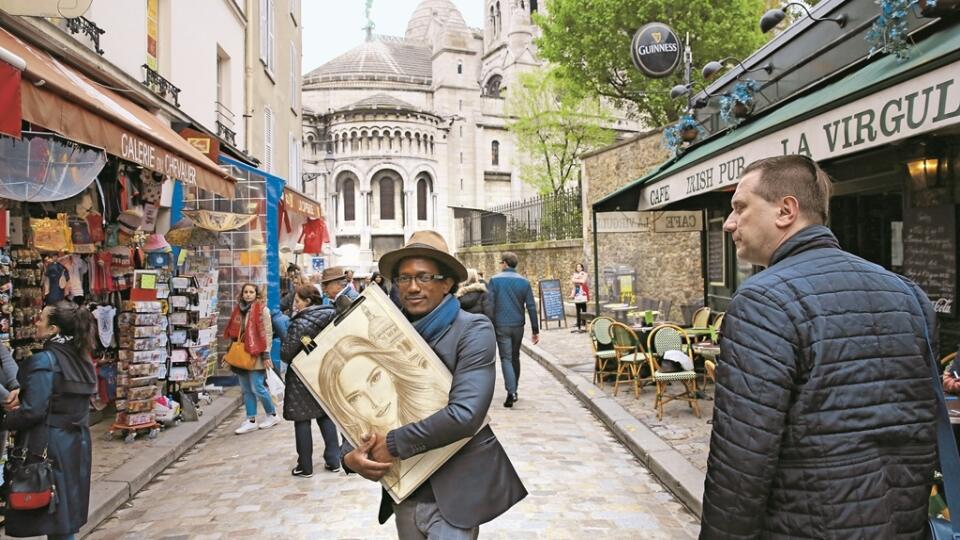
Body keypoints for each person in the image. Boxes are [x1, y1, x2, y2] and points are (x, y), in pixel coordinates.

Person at [701, 155, 937, 538]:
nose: (730, 222)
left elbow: (741, 463)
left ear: (786, 210)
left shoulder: (763, 301)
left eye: (740, 208)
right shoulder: (909, 295)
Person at [342, 230, 526, 539]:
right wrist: (349, 456)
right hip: (406, 492)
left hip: (455, 496)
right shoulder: (384, 332)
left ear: (447, 283)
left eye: (424, 277)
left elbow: (466, 414)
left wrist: (390, 444)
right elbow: (359, 400)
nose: (412, 287)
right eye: (403, 278)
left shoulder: (474, 329)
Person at [2, 302, 97, 540]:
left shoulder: (46, 360)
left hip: (51, 445)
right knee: (64, 515)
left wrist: (6, 420)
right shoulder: (81, 358)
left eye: (41, 319)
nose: (36, 322)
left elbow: (33, 411)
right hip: (77, 442)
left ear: (53, 329)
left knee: (57, 515)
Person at [320, 335, 448, 491]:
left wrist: (392, 444)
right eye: (356, 397)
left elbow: (464, 417)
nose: (375, 401)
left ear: (390, 372)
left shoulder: (432, 398)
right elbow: (350, 443)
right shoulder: (364, 431)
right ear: (347, 407)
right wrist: (348, 459)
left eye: (375, 379)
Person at [280, 285, 341, 477]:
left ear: (307, 302)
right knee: (325, 415)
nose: (295, 305)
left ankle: (304, 466)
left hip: (301, 376)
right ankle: (334, 460)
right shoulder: (331, 316)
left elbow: (286, 353)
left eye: (298, 301)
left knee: (302, 420)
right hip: (323, 372)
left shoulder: (301, 324)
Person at [223, 283, 279, 435]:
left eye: (251, 292)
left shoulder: (263, 310)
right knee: (246, 389)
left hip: (257, 354)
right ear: (242, 294)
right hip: (241, 354)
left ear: (256, 294)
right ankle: (251, 420)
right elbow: (235, 335)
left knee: (257, 387)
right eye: (245, 292)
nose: (248, 294)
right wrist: (228, 353)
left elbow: (268, 333)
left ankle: (272, 414)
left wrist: (266, 354)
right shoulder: (238, 310)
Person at [487, 251, 539, 408]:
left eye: (501, 263)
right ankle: (514, 387)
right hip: (518, 325)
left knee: (506, 358)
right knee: (515, 357)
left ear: (505, 263)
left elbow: (490, 305)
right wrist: (535, 330)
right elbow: (530, 306)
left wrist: (489, 324)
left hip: (501, 325)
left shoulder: (495, 281)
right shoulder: (524, 282)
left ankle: (512, 391)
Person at [569, 263, 589, 332]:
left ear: (582, 268)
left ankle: (584, 322)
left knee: (584, 309)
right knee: (578, 310)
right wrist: (572, 294)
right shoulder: (575, 274)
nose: (578, 268)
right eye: (577, 267)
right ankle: (578, 323)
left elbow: (583, 281)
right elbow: (573, 283)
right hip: (577, 295)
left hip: (583, 294)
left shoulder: (585, 274)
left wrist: (576, 278)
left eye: (580, 267)